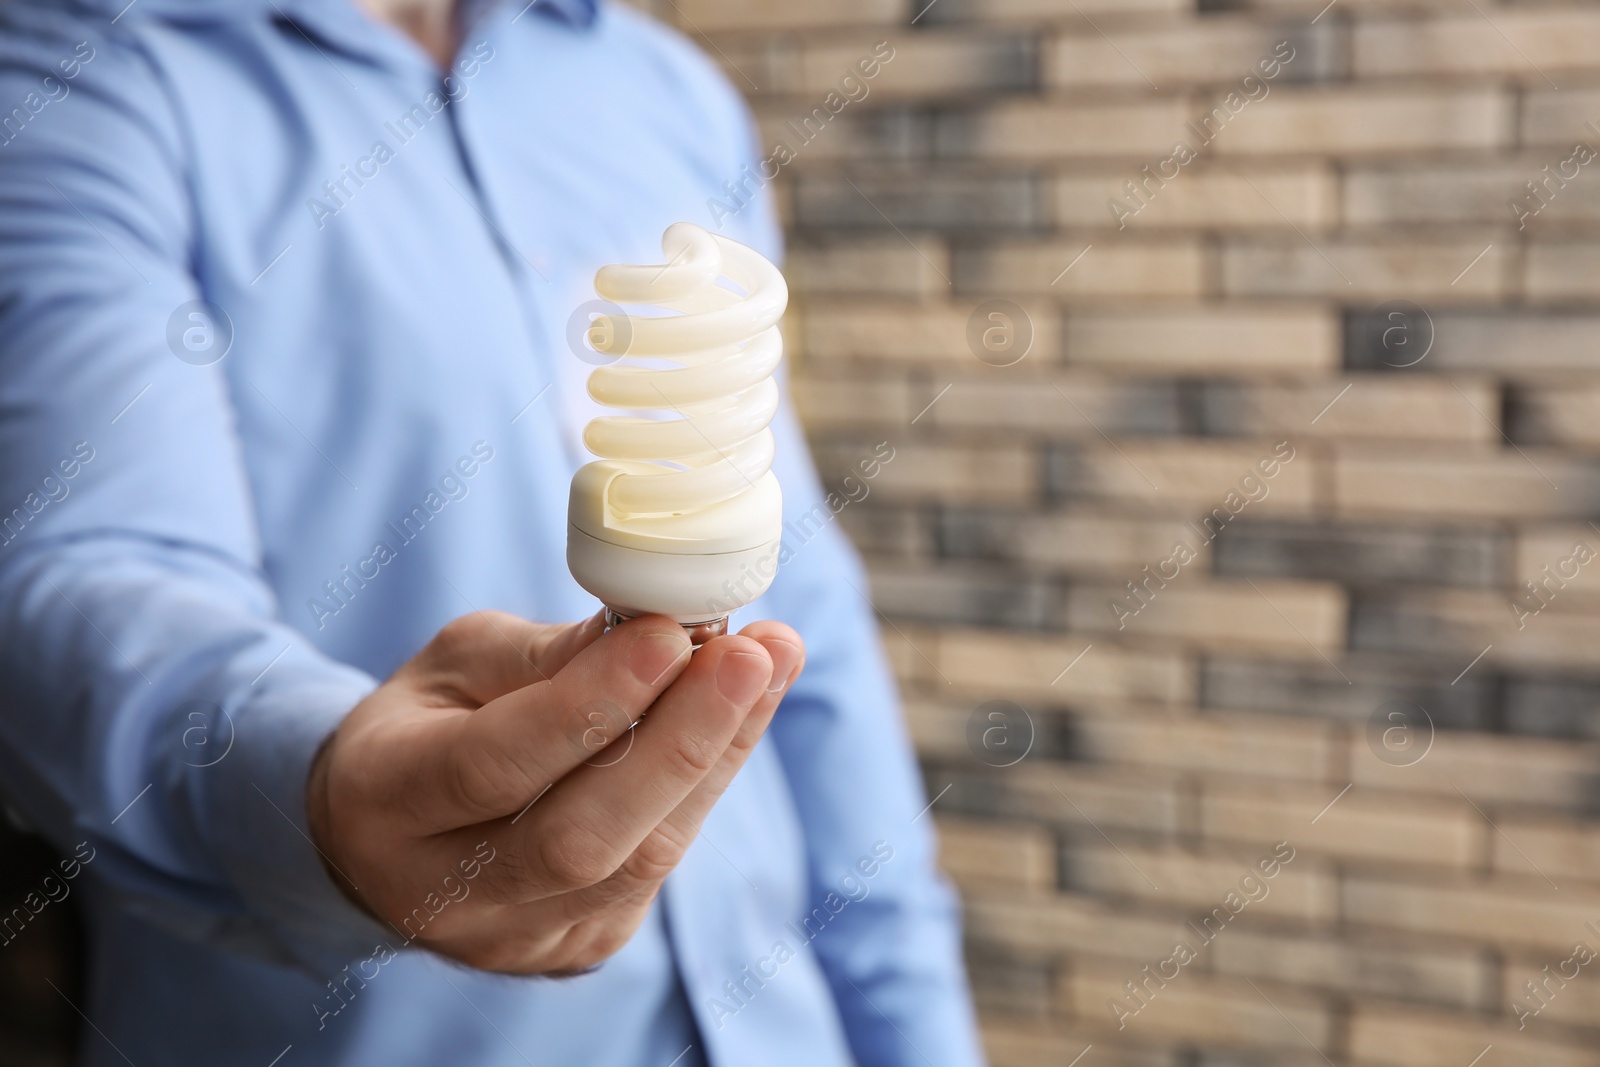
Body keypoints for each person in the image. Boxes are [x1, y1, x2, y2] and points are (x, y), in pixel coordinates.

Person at [0, 0, 985, 1064]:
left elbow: (806, 612)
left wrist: (917, 1034)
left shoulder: (666, 89)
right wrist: (322, 786)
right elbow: (88, 568)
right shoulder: (90, 71)